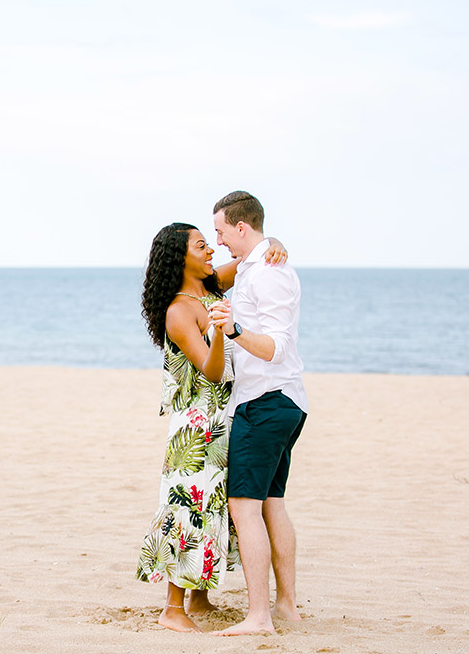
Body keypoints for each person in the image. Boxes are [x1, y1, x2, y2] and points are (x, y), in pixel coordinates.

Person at [135, 222, 285, 633]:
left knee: (214, 508)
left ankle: (199, 598)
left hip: (221, 419)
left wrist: (274, 244)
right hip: (195, 427)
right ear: (179, 258)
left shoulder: (210, 283)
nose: (210, 252)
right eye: (201, 246)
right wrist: (221, 329)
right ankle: (172, 608)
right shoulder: (179, 311)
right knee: (187, 507)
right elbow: (214, 370)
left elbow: (248, 255)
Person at [208, 191, 309, 636]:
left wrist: (233, 329)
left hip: (266, 401)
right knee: (271, 504)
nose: (219, 240)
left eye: (221, 231)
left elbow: (276, 348)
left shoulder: (268, 272)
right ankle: (285, 606)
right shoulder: (257, 263)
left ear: (241, 228)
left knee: (243, 506)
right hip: (278, 401)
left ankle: (259, 617)